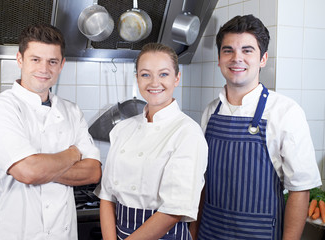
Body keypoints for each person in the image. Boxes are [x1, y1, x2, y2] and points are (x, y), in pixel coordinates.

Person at [190, 15, 322, 240]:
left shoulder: (286, 112)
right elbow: (202, 183)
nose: (236, 58)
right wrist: (193, 233)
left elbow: (300, 190)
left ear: (263, 59)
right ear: (220, 59)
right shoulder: (210, 112)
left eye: (247, 50)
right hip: (209, 233)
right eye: (228, 50)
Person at [0, 23, 101, 240]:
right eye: (35, 59)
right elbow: (28, 172)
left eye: (52, 61)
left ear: (62, 64)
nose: (44, 69)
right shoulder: (0, 108)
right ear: (20, 59)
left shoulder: (71, 111)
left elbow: (93, 172)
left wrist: (40, 168)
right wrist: (73, 154)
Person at [95, 43, 208, 240]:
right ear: (137, 78)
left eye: (163, 74)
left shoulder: (188, 133)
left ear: (177, 78)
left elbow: (173, 211)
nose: (154, 82)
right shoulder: (122, 130)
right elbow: (107, 196)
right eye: (146, 74)